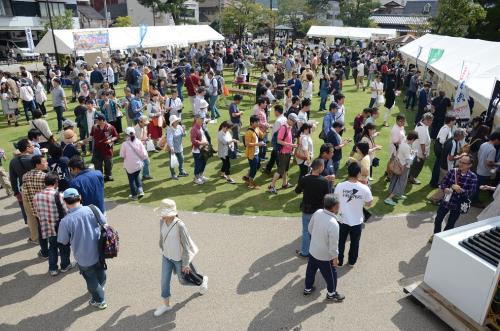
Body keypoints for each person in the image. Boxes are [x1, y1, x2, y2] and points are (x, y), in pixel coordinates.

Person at [154, 198, 208, 317]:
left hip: (179, 259)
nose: (162, 215)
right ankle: (166, 305)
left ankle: (202, 280)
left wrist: (186, 264)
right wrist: (161, 246)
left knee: (183, 281)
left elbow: (187, 246)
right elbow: (162, 236)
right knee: (164, 282)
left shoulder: (180, 225)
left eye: (164, 213)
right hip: (166, 257)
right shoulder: (162, 221)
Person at [58, 188, 108, 310]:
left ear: (65, 201)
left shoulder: (65, 221)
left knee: (90, 278)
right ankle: (100, 287)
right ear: (80, 197)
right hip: (99, 250)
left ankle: (100, 300)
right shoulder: (93, 208)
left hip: (83, 256)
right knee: (101, 271)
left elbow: (63, 241)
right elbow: (104, 222)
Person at [303, 194, 345, 302]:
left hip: (313, 250)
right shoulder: (333, 224)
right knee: (331, 275)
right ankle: (331, 293)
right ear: (335, 207)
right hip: (325, 256)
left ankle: (308, 288)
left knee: (310, 270)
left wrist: (316, 239)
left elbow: (309, 228)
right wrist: (335, 258)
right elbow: (333, 245)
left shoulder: (317, 213)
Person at [33, 173, 75, 276]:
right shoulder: (60, 195)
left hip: (47, 227)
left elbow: (36, 211)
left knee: (52, 247)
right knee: (64, 247)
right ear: (56, 183)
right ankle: (65, 265)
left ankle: (53, 269)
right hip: (60, 227)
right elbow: (67, 210)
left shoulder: (37, 196)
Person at [430, 155, 477, 242]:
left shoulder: (472, 177)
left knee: (451, 223)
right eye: (460, 162)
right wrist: (445, 188)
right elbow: (443, 183)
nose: (460, 164)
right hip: (447, 201)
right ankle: (436, 235)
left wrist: (460, 190)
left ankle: (443, 237)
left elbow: (471, 192)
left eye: (464, 163)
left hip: (458, 204)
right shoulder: (452, 171)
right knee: (438, 219)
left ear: (470, 165)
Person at [334, 162, 373, 266]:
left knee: (340, 242)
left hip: (341, 220)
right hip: (356, 221)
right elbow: (369, 203)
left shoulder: (340, 186)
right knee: (355, 243)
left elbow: (335, 200)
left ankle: (339, 261)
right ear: (359, 173)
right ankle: (352, 261)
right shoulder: (365, 188)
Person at [295, 158, 330, 258]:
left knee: (306, 231)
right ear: (320, 168)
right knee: (318, 232)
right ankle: (317, 252)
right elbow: (327, 196)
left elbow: (297, 191)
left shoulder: (305, 179)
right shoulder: (324, 181)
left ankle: (305, 252)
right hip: (319, 211)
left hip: (307, 210)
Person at [22, 155, 49, 253]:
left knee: (41, 230)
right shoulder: (45, 176)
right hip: (46, 207)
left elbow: (26, 193)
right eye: (44, 162)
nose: (47, 163)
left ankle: (44, 251)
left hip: (34, 208)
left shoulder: (25, 176)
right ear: (37, 165)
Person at [384, 131, 418, 206]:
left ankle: (398, 194)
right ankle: (389, 198)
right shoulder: (407, 146)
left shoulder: (403, 143)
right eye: (415, 140)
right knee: (401, 182)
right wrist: (414, 155)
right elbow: (409, 161)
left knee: (395, 179)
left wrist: (410, 152)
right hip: (403, 166)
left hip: (398, 164)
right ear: (412, 139)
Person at [268, 113, 298, 194]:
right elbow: (279, 141)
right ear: (289, 120)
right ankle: (271, 186)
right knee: (280, 170)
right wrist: (291, 145)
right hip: (283, 153)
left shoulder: (289, 127)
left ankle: (284, 183)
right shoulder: (283, 128)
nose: (295, 123)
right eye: (294, 121)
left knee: (285, 169)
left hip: (288, 152)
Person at [87, 113, 119, 182]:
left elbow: (116, 136)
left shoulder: (110, 127)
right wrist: (85, 141)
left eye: (97, 120)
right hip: (97, 150)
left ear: (102, 120)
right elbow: (91, 136)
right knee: (98, 165)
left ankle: (108, 175)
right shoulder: (94, 127)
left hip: (107, 149)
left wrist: (110, 140)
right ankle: (100, 177)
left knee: (109, 164)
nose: (96, 121)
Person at [473, 131, 500, 207]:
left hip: (479, 169)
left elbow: (478, 155)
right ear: (497, 139)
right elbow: (488, 162)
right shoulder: (493, 149)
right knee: (478, 187)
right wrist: (497, 164)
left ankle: (474, 200)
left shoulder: (483, 144)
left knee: (477, 186)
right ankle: (474, 202)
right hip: (485, 172)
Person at [120, 127, 147, 200]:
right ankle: (140, 191)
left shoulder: (124, 144)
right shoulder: (138, 141)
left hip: (129, 165)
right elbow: (144, 153)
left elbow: (122, 155)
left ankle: (134, 195)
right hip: (138, 164)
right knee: (137, 177)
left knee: (131, 180)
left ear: (126, 135)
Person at [430, 115, 456, 188]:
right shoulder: (446, 129)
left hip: (441, 150)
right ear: (451, 121)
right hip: (441, 151)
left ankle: (434, 182)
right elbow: (442, 141)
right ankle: (434, 183)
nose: (455, 122)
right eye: (454, 121)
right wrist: (449, 142)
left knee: (438, 166)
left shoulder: (447, 128)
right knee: (438, 166)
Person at [408, 112, 433, 185]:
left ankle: (410, 177)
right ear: (426, 120)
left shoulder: (422, 124)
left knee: (414, 165)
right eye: (431, 120)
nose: (431, 122)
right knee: (417, 166)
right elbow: (422, 144)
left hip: (416, 150)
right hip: (419, 152)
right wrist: (424, 154)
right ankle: (412, 178)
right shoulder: (422, 129)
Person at [264, 105, 288, 174]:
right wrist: (272, 126)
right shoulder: (284, 118)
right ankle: (268, 168)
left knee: (277, 157)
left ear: (277, 112)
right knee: (273, 155)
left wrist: (272, 141)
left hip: (277, 141)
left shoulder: (278, 121)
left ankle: (280, 172)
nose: (274, 113)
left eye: (275, 111)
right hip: (282, 140)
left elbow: (275, 132)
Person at [243, 115, 265, 189]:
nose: (258, 123)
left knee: (257, 166)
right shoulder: (249, 132)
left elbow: (262, 136)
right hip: (251, 154)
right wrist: (258, 144)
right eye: (256, 122)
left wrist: (266, 129)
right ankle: (250, 183)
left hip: (257, 152)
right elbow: (247, 144)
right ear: (252, 123)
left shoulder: (257, 128)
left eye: (258, 121)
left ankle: (247, 177)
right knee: (254, 169)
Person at [166, 115, 188, 180]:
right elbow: (169, 139)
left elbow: (184, 135)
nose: (177, 122)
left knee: (181, 159)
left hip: (179, 147)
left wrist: (184, 131)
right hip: (172, 148)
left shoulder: (179, 127)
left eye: (177, 121)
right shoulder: (169, 129)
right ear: (172, 122)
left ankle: (181, 171)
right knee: (172, 162)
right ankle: (173, 174)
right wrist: (171, 147)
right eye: (176, 121)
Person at [190, 114, 209, 185]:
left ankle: (201, 175)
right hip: (197, 151)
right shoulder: (194, 129)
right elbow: (193, 141)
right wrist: (202, 143)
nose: (203, 120)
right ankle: (196, 178)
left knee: (203, 163)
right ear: (197, 119)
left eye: (203, 118)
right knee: (198, 164)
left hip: (203, 149)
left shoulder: (200, 126)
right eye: (202, 118)